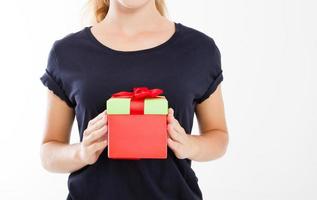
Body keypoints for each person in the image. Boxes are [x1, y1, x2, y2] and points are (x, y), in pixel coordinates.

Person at [39, 0, 229, 199]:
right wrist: (81, 152)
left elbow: (219, 136)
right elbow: (48, 152)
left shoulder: (199, 49)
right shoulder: (67, 53)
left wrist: (190, 145)